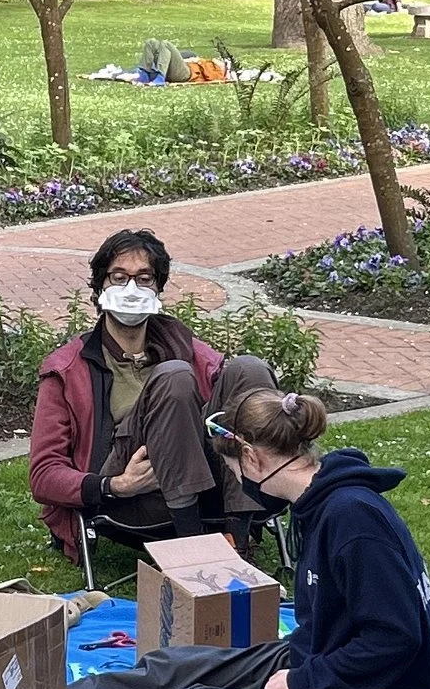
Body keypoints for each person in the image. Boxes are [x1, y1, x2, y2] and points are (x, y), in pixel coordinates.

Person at [72, 390, 430, 689]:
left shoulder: (352, 519)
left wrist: (303, 684)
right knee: (170, 667)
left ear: (253, 458)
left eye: (235, 473)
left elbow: (395, 638)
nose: (240, 485)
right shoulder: (319, 503)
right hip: (321, 658)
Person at [29, 225, 275, 560]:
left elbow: (229, 407)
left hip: (202, 481)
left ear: (158, 288)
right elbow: (43, 475)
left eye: (144, 278)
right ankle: (192, 549)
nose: (131, 287)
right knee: (174, 377)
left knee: (249, 368)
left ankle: (239, 536)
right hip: (132, 492)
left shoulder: (183, 346)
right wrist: (113, 485)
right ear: (99, 286)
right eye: (118, 277)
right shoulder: (67, 369)